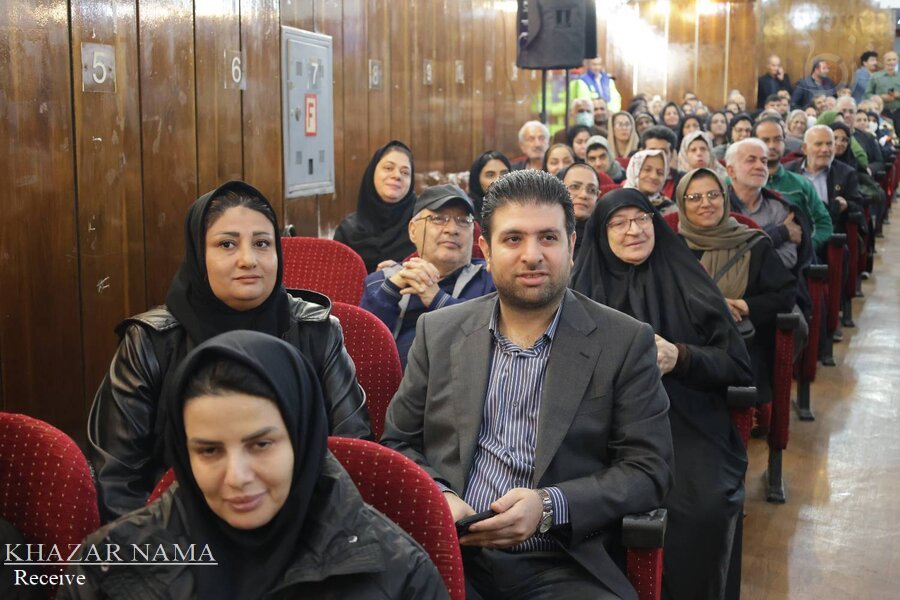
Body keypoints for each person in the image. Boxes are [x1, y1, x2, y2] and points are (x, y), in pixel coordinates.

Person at [382, 169, 674, 600]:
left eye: (548, 238)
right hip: (447, 550)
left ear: (571, 246)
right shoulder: (439, 331)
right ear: (486, 250)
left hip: (561, 561)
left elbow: (649, 470)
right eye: (513, 239)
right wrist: (439, 495)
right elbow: (398, 442)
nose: (532, 255)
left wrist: (550, 506)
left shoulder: (623, 341)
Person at [65, 331, 447, 600]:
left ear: (301, 442)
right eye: (209, 451)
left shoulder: (399, 575)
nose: (237, 477)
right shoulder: (107, 565)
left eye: (261, 445)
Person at [87, 181, 371, 523]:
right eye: (227, 244)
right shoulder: (150, 341)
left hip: (303, 526)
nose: (248, 260)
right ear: (198, 255)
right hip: (180, 533)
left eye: (262, 243)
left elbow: (352, 453)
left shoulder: (318, 331)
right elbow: (117, 482)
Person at [570, 187, 753, 600]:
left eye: (642, 219)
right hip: (601, 425)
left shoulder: (687, 277)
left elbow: (737, 364)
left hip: (684, 418)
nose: (634, 230)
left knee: (701, 508)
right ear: (601, 234)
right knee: (581, 508)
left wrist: (681, 357)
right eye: (619, 223)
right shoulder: (581, 290)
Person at [673, 168, 796, 408]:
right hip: (686, 349)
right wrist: (714, 306)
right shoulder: (672, 248)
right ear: (682, 203)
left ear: (724, 198)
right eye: (695, 197)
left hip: (741, 348)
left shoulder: (754, 244)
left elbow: (785, 294)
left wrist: (745, 306)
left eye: (713, 195)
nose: (706, 203)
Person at [360, 185, 495, 367]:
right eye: (438, 218)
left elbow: (489, 340)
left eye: (463, 220)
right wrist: (390, 290)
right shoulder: (383, 280)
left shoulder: (491, 279)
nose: (452, 229)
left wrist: (437, 299)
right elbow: (361, 346)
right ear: (413, 230)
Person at [754, 117, 834, 255]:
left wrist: (806, 248)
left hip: (798, 259)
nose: (772, 146)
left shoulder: (801, 184)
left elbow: (823, 224)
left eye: (777, 140)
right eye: (765, 140)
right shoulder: (739, 184)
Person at [334, 140, 417, 272]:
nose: (397, 176)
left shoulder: (421, 226)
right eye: (388, 168)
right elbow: (337, 279)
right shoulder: (347, 231)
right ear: (372, 172)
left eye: (405, 172)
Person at [559, 163, 601, 259]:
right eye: (574, 187)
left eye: (592, 190)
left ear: (598, 197)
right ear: (559, 190)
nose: (584, 195)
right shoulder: (543, 230)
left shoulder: (604, 239)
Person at [624, 149, 676, 215]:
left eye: (660, 172)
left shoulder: (670, 210)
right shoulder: (618, 202)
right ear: (634, 171)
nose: (654, 176)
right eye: (647, 170)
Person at [640, 126, 683, 199]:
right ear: (641, 152)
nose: (658, 156)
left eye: (663, 151)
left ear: (672, 154)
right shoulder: (632, 181)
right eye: (652, 151)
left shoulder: (683, 181)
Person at [468, 150, 512, 218]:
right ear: (477, 179)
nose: (499, 180)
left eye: (504, 174)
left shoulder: (520, 204)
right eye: (490, 175)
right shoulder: (467, 209)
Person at [866, 50, 900, 125]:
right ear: (884, 61)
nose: (891, 62)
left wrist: (898, 95)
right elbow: (867, 94)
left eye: (894, 59)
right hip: (882, 113)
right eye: (889, 60)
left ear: (897, 61)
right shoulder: (875, 76)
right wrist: (880, 97)